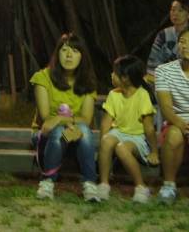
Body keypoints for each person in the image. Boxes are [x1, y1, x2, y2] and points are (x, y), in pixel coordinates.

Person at [31, 32, 99, 201]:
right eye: (65, 50)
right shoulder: (43, 77)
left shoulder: (87, 82)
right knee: (57, 130)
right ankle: (47, 182)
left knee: (83, 129)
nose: (69, 55)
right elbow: (46, 119)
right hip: (46, 135)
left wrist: (61, 119)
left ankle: (90, 185)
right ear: (57, 53)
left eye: (75, 51)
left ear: (82, 57)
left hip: (76, 134)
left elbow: (87, 119)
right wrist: (61, 121)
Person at [97, 55, 159, 203]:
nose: (111, 75)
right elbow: (106, 123)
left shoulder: (142, 95)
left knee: (121, 148)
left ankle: (140, 187)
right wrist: (103, 149)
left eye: (114, 73)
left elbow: (149, 128)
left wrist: (154, 151)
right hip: (118, 132)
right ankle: (104, 184)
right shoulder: (113, 95)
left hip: (136, 137)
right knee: (107, 140)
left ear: (125, 78)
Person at [154, 27, 189, 204]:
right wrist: (182, 125)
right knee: (174, 136)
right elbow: (166, 107)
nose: (186, 46)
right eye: (183, 42)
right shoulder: (164, 71)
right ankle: (169, 186)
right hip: (176, 120)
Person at [146, 0, 189, 82]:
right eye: (173, 10)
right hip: (166, 79)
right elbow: (153, 63)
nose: (175, 13)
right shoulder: (163, 35)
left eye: (180, 10)